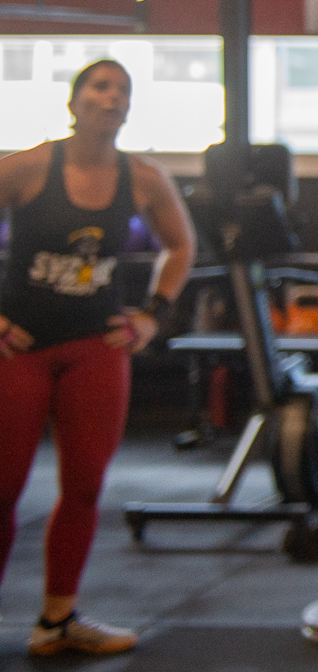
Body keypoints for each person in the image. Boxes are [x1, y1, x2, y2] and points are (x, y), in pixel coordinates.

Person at [0, 60, 195, 657]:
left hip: (96, 348)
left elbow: (181, 244)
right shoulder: (27, 166)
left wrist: (151, 314)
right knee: (2, 489)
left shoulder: (142, 178)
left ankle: (58, 621)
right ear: (75, 101)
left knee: (83, 486)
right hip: (21, 347)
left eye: (122, 91)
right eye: (100, 87)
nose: (111, 98)